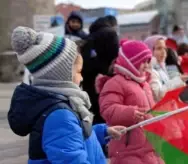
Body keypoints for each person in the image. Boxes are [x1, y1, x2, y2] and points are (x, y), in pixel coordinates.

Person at [8, 26, 125, 163]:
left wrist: (101, 132)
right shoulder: (60, 116)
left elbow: (73, 137)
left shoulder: (60, 106)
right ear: (60, 75)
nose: (81, 78)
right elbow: (71, 156)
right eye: (78, 72)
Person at [96, 40, 164, 164]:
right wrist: (130, 113)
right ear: (131, 62)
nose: (146, 65)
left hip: (149, 147)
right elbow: (107, 109)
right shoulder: (115, 82)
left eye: (148, 61)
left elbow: (151, 109)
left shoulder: (144, 84)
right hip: (127, 149)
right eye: (142, 61)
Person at [80, 17, 120, 125]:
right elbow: (115, 58)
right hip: (105, 81)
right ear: (113, 24)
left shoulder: (89, 37)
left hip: (88, 82)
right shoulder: (111, 34)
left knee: (94, 115)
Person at [144, 35, 187, 102]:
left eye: (165, 48)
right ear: (149, 51)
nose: (163, 52)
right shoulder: (150, 71)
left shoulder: (160, 68)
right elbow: (157, 95)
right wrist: (178, 80)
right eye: (159, 48)